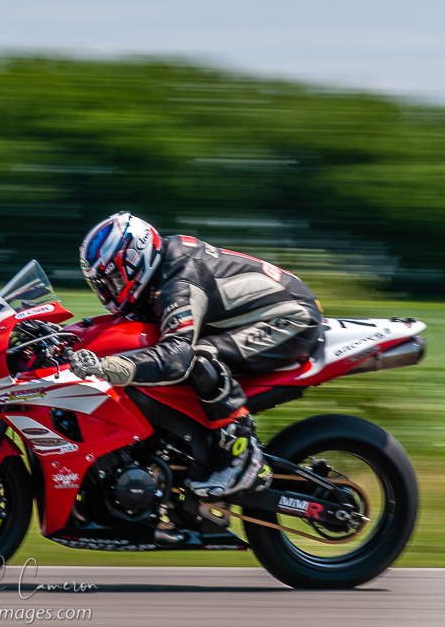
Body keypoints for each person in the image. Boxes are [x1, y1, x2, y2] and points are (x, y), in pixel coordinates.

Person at [68, 212, 323, 498]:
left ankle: (244, 457)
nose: (109, 292)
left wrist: (107, 366)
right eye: (101, 285)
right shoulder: (159, 271)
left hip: (290, 318)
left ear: (134, 259)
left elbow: (177, 356)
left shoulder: (179, 280)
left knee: (198, 357)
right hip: (252, 316)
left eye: (113, 279)